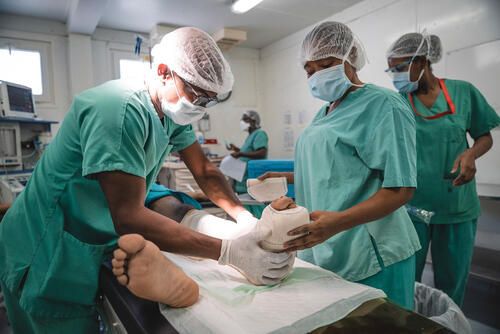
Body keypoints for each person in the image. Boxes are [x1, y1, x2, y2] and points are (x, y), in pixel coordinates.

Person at [0, 27, 292, 333]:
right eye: (196, 94)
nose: (200, 107)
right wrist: (228, 252)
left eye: (209, 101)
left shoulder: (171, 114)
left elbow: (204, 171)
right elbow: (128, 216)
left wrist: (244, 219)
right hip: (43, 247)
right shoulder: (117, 111)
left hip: (85, 238)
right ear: (164, 72)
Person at [259, 21, 421, 310]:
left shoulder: (385, 105)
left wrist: (337, 223)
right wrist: (284, 177)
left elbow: (401, 188)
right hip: (328, 246)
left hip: (372, 252)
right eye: (310, 70)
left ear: (351, 55)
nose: (317, 75)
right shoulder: (325, 112)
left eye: (327, 64)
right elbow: (336, 170)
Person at [386, 33, 500, 306]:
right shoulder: (398, 101)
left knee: (451, 286)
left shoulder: (463, 92)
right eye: (392, 70)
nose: (396, 76)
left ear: (422, 61)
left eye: (400, 68)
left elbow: (485, 136)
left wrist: (470, 153)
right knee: (406, 283)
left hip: (456, 207)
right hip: (411, 209)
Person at [228, 110, 269, 194]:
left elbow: (262, 153)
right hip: (243, 177)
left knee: (253, 203)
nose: (242, 122)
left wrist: (240, 154)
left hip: (252, 175)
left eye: (245, 119)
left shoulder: (260, 133)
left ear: (253, 121)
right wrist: (236, 149)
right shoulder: (251, 135)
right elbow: (248, 152)